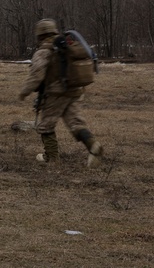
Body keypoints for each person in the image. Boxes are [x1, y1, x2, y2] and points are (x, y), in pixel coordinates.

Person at [18, 18, 104, 166]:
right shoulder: (66, 46)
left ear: (40, 35)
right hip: (75, 91)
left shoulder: (44, 51)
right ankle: (93, 145)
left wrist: (24, 92)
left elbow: (36, 75)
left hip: (56, 93)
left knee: (46, 125)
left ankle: (52, 158)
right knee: (75, 122)